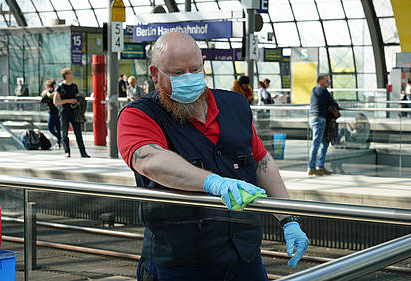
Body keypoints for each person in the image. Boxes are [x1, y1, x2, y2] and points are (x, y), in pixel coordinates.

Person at [117, 32, 309, 281]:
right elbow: (150, 161)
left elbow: (262, 161)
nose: (189, 77)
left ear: (204, 64)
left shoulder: (235, 105)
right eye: (176, 73)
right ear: (155, 74)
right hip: (179, 262)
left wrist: (289, 219)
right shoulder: (139, 115)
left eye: (194, 69)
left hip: (243, 256)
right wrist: (213, 183)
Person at [53, 68, 90, 158]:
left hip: (74, 112)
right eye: (70, 73)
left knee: (78, 133)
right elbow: (55, 101)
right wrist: (68, 100)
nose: (72, 74)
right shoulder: (60, 87)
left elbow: (77, 98)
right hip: (64, 112)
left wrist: (78, 102)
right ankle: (67, 151)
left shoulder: (74, 86)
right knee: (64, 132)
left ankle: (83, 152)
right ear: (66, 75)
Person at [308, 74, 339, 176]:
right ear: (320, 81)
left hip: (313, 119)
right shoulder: (324, 91)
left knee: (324, 143)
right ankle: (311, 167)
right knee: (316, 143)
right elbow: (335, 105)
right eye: (327, 80)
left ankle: (320, 167)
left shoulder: (314, 90)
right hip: (319, 119)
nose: (328, 83)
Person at [40, 79, 61, 148]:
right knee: (58, 128)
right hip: (58, 112)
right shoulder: (56, 92)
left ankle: (60, 139)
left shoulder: (48, 93)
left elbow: (43, 100)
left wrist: (44, 93)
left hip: (52, 113)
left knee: (50, 128)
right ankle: (59, 142)